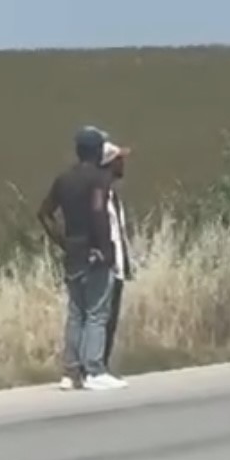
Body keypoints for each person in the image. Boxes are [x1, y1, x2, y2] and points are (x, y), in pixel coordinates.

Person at [37, 126, 125, 391]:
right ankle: (95, 370)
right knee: (97, 313)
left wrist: (62, 241)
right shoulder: (98, 179)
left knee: (76, 313)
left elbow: (44, 213)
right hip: (94, 251)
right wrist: (104, 249)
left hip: (73, 252)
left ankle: (70, 372)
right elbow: (98, 212)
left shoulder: (64, 179)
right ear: (98, 150)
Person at [100, 139, 135, 377]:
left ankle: (103, 365)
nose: (123, 164)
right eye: (118, 160)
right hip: (108, 266)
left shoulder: (112, 194)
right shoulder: (100, 195)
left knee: (111, 320)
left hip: (118, 265)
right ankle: (96, 367)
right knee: (102, 319)